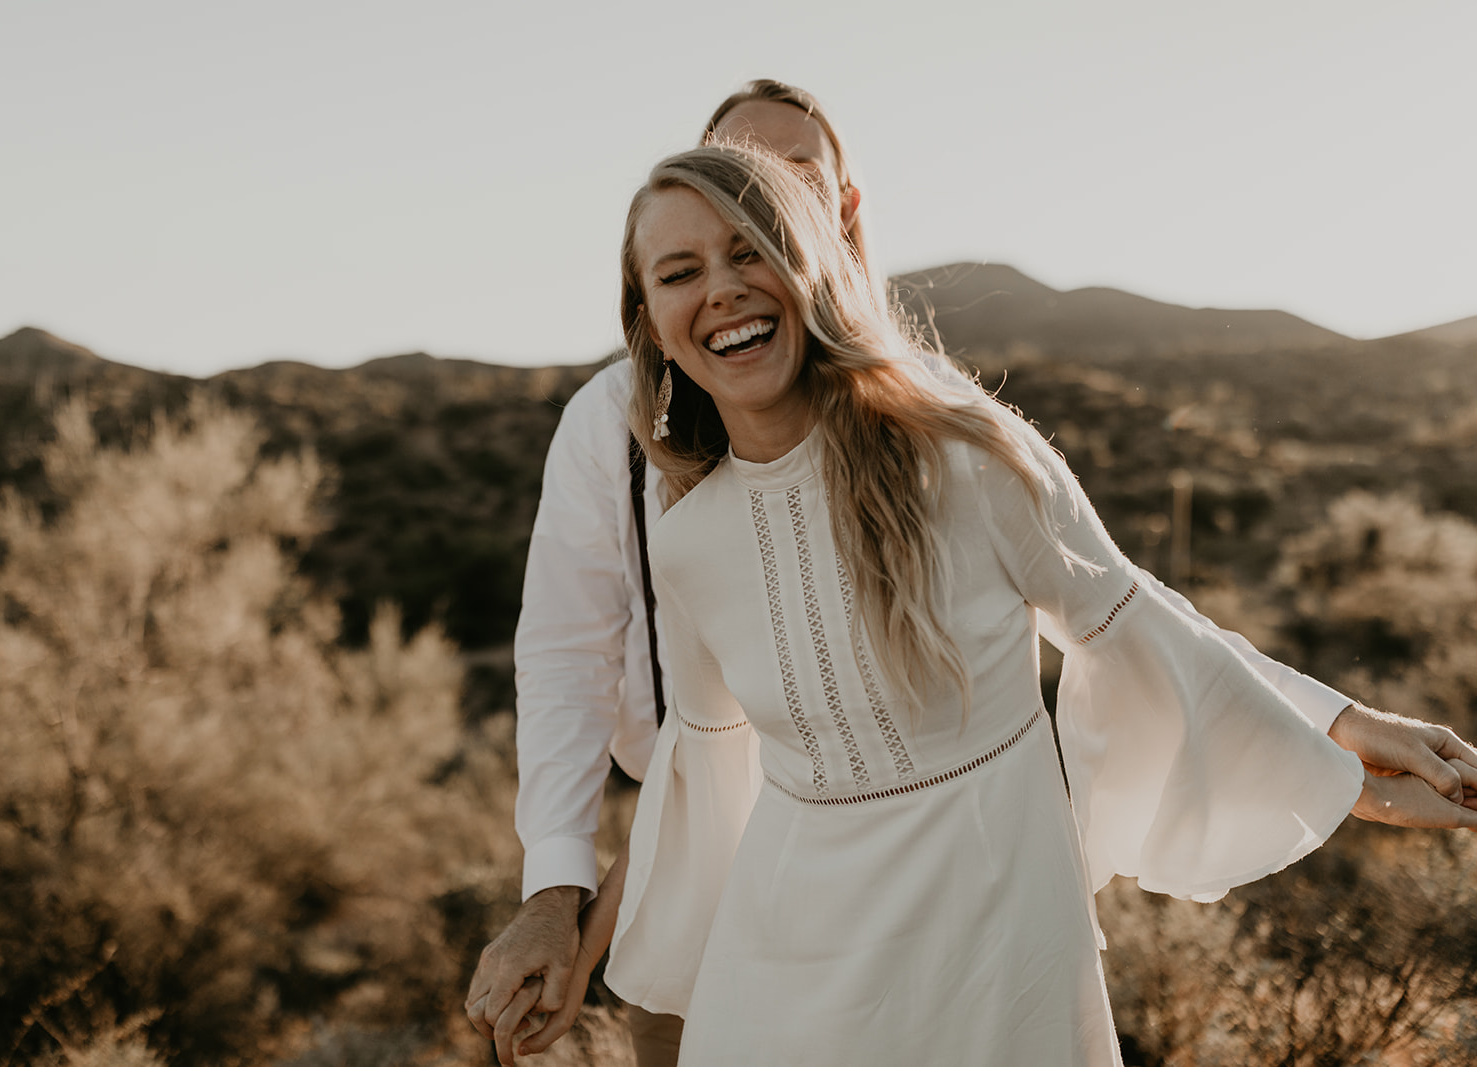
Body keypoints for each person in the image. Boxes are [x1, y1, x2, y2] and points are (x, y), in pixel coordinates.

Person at [465, 82, 1477, 1066]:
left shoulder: (962, 444)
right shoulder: (675, 523)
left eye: (755, 236)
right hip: (771, 958)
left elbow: (1129, 618)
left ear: (821, 237)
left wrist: (1341, 762)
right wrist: (569, 919)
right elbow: (687, 763)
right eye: (679, 268)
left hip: (992, 939)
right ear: (646, 315)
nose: (722, 285)